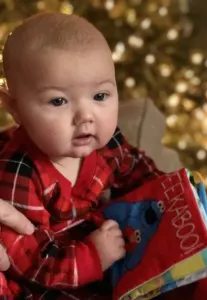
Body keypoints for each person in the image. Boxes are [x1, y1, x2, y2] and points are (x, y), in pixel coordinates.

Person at [0, 12, 164, 299]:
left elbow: (137, 170)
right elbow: (29, 260)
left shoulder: (106, 142)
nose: (86, 117)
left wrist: (169, 194)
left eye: (100, 96)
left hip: (106, 250)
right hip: (48, 278)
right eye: (58, 101)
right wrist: (92, 256)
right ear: (15, 109)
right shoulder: (20, 171)